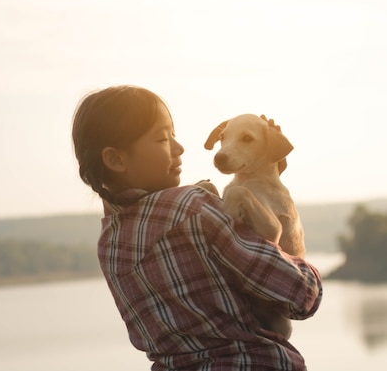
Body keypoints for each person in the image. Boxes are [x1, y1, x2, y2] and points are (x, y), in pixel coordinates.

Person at [71, 85, 322, 371]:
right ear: (116, 159)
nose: (179, 148)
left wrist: (263, 178)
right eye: (163, 139)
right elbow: (301, 295)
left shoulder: (109, 245)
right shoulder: (192, 208)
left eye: (174, 136)